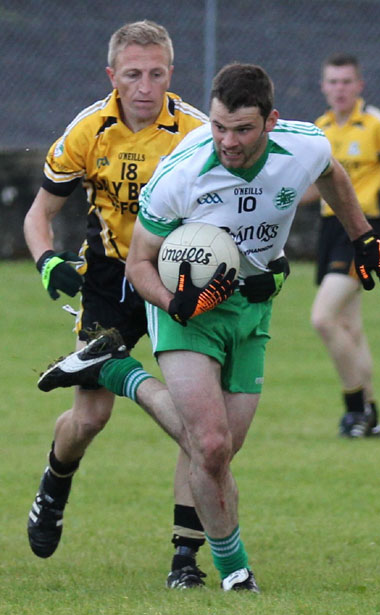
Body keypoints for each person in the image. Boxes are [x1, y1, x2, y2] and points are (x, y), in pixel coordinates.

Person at [35, 62, 380, 592]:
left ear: (271, 122)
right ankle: (235, 574)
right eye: (220, 127)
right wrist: (176, 304)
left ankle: (116, 371)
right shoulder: (181, 172)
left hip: (254, 312)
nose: (227, 140)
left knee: (223, 449)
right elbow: (139, 264)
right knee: (208, 444)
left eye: (243, 130)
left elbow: (333, 175)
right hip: (186, 309)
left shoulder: (305, 146)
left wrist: (363, 238)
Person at [24, 19, 210, 586]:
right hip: (110, 278)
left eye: (156, 74)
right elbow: (39, 216)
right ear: (113, 76)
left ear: (171, 74)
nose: (146, 86)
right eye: (133, 74)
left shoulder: (197, 133)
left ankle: (186, 560)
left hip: (180, 274)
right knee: (90, 416)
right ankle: (54, 485)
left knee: (198, 418)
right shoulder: (89, 130)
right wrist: (47, 261)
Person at [302, 53, 380, 438]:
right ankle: (372, 417)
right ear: (323, 86)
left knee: (323, 318)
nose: (339, 89)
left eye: (346, 82)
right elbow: (311, 189)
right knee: (350, 327)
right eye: (332, 82)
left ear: (359, 86)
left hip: (364, 232)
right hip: (328, 232)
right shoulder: (318, 129)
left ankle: (355, 411)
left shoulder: (377, 125)